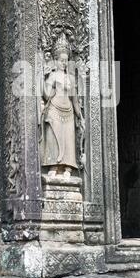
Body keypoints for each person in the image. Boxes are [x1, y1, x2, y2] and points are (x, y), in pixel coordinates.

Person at [40, 33, 85, 176]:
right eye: (61, 60)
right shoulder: (53, 76)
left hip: (69, 111)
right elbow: (46, 94)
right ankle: (53, 165)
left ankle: (68, 167)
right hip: (54, 108)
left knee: (68, 140)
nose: (64, 63)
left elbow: (75, 100)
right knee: (53, 137)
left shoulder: (70, 78)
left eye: (66, 61)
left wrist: (81, 116)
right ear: (56, 61)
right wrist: (43, 77)